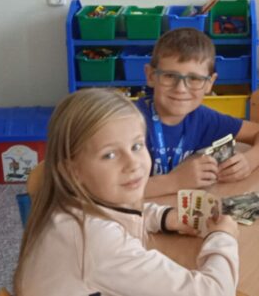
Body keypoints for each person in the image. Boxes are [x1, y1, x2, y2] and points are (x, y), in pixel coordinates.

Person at [13, 88, 239, 295]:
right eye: (109, 155)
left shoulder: (72, 201)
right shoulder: (96, 241)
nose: (133, 163)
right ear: (73, 170)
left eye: (137, 146)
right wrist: (222, 237)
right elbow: (214, 292)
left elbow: (116, 212)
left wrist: (165, 218)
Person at [140, 27, 259, 197]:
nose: (181, 89)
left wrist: (249, 161)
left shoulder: (201, 118)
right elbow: (110, 190)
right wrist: (175, 181)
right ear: (150, 76)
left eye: (194, 78)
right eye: (170, 76)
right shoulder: (127, 122)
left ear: (210, 83)